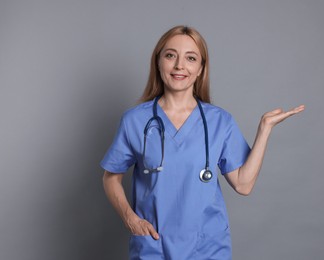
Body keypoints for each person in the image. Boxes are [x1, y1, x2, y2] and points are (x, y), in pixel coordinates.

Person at [101, 25, 305, 260]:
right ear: (158, 62)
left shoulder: (220, 121)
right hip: (153, 246)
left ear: (200, 69)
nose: (179, 65)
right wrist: (130, 218)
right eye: (170, 55)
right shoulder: (135, 120)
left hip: (207, 248)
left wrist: (264, 130)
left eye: (190, 58)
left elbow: (243, 184)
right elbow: (110, 177)